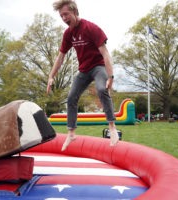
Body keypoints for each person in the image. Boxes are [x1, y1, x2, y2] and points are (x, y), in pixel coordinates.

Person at [47, 0, 119, 151]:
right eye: (61, 16)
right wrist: (51, 76)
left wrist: (110, 76)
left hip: (98, 67)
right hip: (84, 70)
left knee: (101, 89)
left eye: (66, 14)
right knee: (71, 97)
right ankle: (71, 133)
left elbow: (105, 53)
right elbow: (61, 57)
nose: (64, 19)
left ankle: (112, 128)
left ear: (75, 12)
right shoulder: (68, 34)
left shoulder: (91, 28)